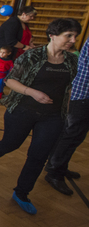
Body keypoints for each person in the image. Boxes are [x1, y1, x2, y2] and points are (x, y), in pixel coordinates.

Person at [0, 18, 81, 214]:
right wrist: (32, 92)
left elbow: (69, 89)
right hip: (22, 110)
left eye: (75, 36)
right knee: (11, 144)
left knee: (38, 156)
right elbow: (10, 80)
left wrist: (67, 112)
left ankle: (22, 193)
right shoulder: (32, 56)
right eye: (68, 35)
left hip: (52, 116)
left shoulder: (72, 60)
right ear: (52, 35)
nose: (73, 40)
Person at [44, 37, 88, 195]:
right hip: (83, 95)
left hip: (83, 96)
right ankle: (54, 172)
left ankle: (60, 166)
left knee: (77, 135)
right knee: (71, 134)